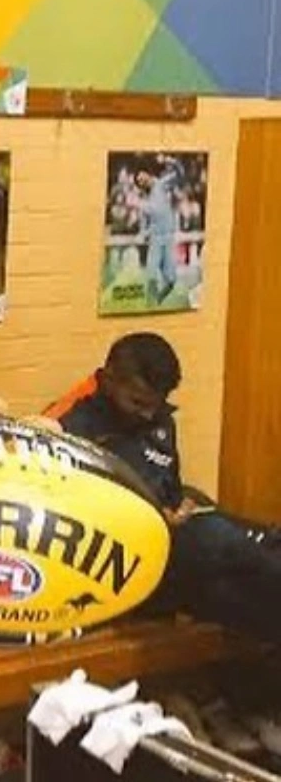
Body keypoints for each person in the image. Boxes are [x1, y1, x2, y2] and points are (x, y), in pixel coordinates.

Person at [45, 332, 281, 643]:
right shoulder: (70, 425)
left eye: (155, 405)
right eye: (138, 402)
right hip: (118, 564)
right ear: (109, 379)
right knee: (218, 537)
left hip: (170, 558)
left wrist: (179, 505)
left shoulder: (159, 420)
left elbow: (171, 491)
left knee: (237, 589)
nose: (147, 414)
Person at [133, 156, 183, 305]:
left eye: (143, 178)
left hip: (168, 238)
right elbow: (143, 224)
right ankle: (150, 304)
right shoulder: (143, 201)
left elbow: (180, 174)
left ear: (147, 174)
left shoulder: (161, 184)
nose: (142, 182)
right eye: (139, 182)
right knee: (151, 275)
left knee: (171, 280)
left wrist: (170, 161)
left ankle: (158, 300)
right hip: (155, 239)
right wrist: (143, 234)